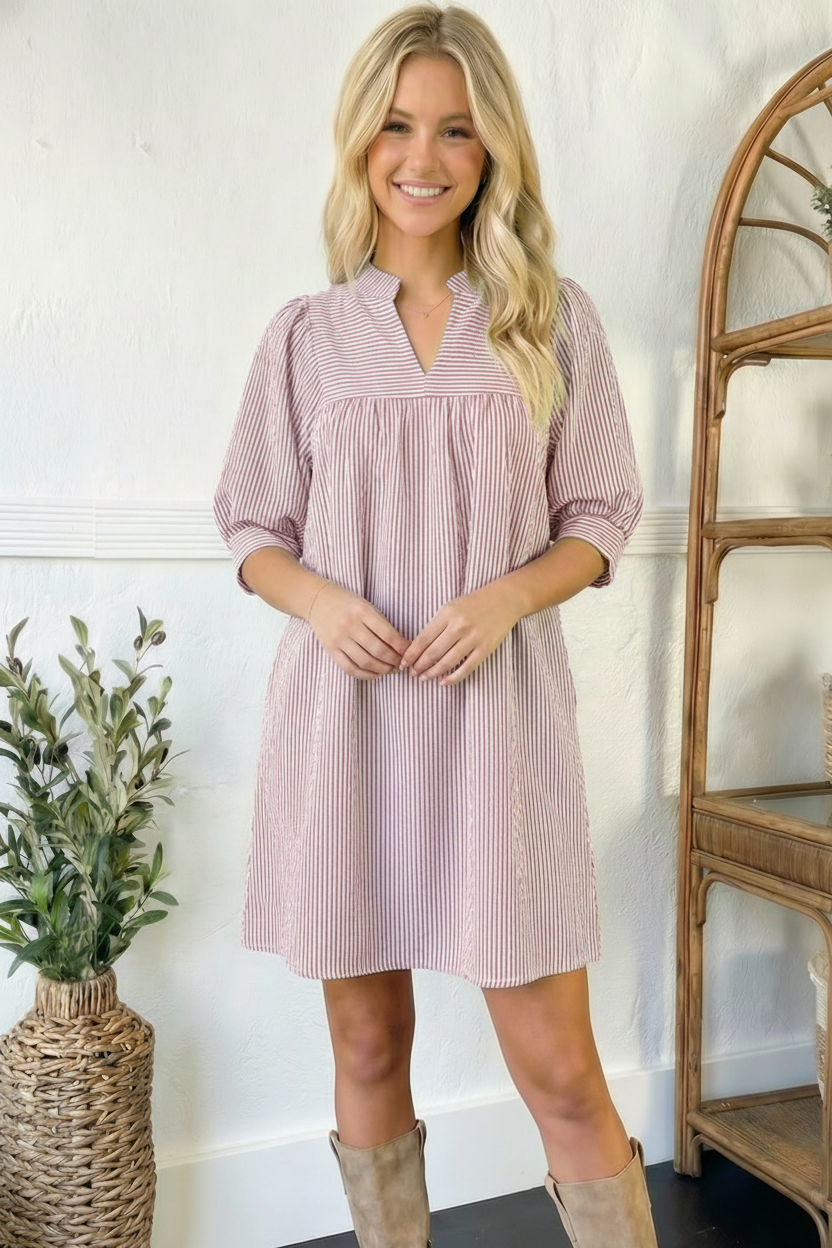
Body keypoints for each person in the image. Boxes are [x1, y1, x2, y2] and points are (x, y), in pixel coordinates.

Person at [213, 4, 659, 1246]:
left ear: (493, 149)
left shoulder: (548, 319)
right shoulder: (303, 336)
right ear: (360, 144)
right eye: (398, 126)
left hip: (497, 734)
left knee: (561, 1071)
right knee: (365, 1046)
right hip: (346, 733)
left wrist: (506, 596)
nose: (424, 155)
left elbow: (605, 509)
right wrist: (321, 599)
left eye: (456, 128)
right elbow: (250, 523)